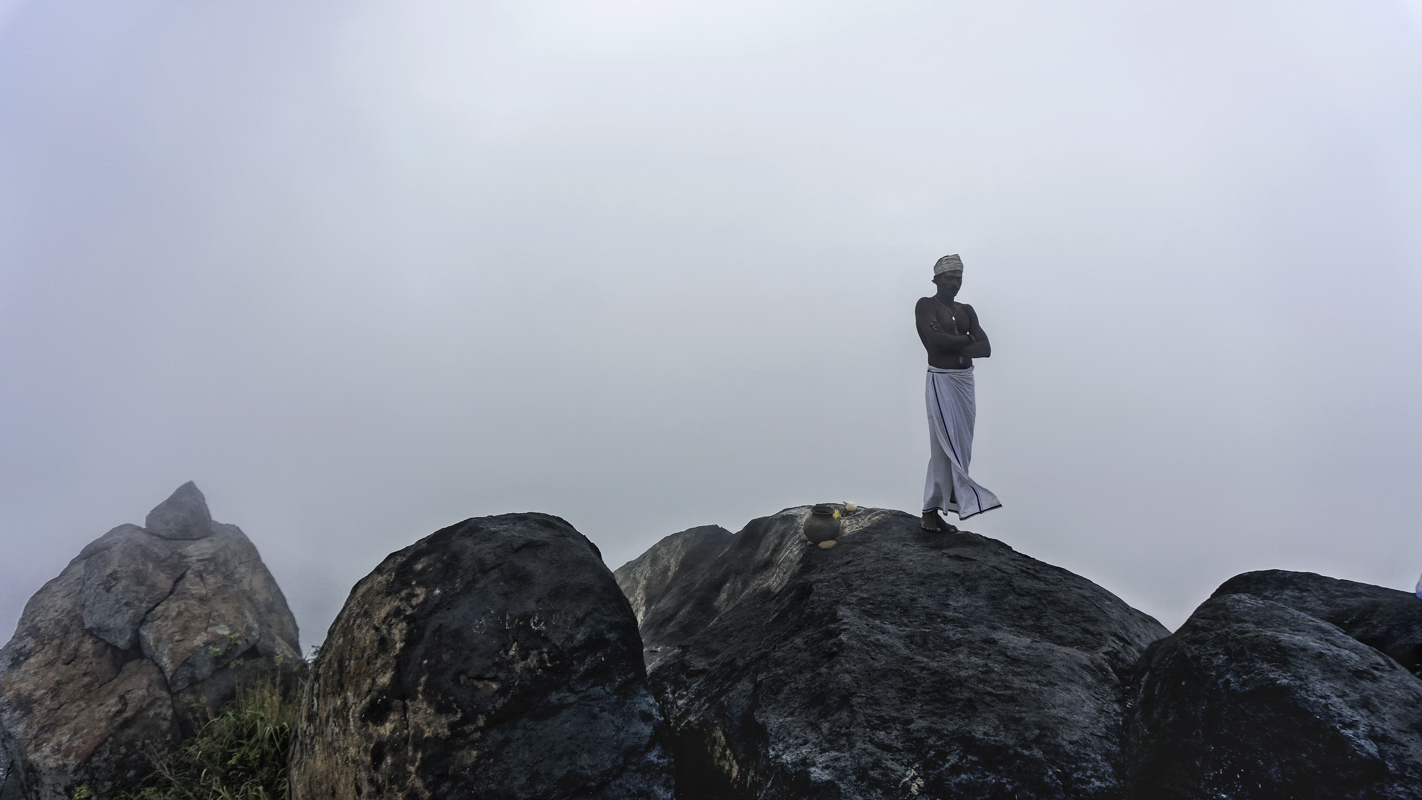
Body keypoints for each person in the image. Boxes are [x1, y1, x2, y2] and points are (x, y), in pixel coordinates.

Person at [915, 254, 1002, 532]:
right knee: (943, 445)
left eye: (959, 278)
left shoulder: (967, 310)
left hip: (965, 382)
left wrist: (955, 342)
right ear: (937, 279)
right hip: (941, 381)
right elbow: (934, 342)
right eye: (950, 278)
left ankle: (946, 505)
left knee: (962, 445)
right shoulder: (926, 305)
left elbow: (985, 348)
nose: (955, 283)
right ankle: (929, 510)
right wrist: (967, 341)